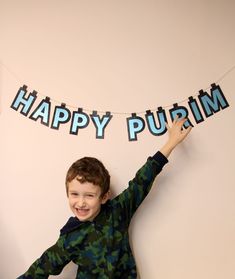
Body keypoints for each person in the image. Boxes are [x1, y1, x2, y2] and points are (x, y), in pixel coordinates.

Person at [17, 117, 192, 279]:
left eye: (89, 195)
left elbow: (143, 179)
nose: (81, 202)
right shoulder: (70, 237)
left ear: (104, 197)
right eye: (74, 194)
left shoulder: (119, 210)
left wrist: (171, 143)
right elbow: (42, 266)